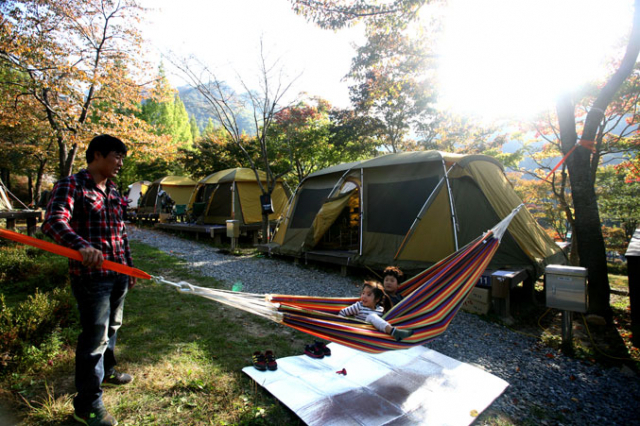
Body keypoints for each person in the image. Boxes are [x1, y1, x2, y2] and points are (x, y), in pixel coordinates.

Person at [42, 134, 135, 426]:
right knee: (94, 339)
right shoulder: (72, 185)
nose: (120, 163)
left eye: (122, 157)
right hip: (91, 278)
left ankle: (106, 372)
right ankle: (87, 406)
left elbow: (120, 233)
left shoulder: (113, 190)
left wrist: (129, 268)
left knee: (113, 327)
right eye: (116, 156)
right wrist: (81, 245)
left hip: (118, 274)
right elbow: (53, 222)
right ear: (96, 155)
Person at [339, 281, 413, 341]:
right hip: (360, 331)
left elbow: (383, 322)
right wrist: (341, 326)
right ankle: (394, 332)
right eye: (363, 293)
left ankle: (395, 331)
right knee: (371, 316)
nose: (364, 296)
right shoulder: (358, 306)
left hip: (373, 336)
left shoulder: (380, 309)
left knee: (374, 317)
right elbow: (343, 312)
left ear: (377, 299)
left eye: (368, 295)